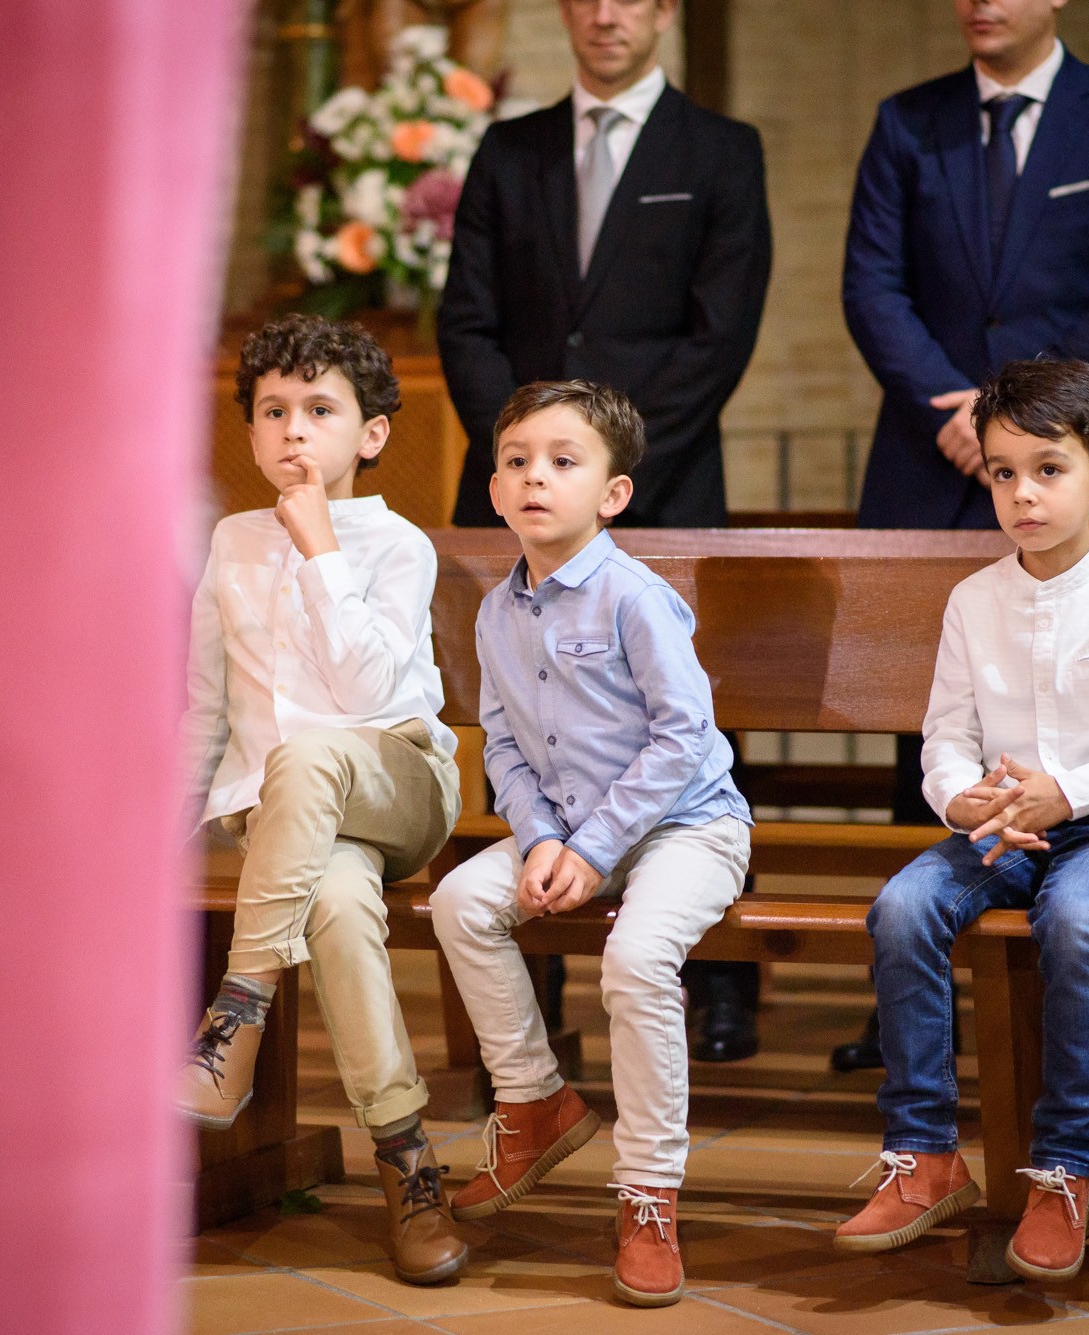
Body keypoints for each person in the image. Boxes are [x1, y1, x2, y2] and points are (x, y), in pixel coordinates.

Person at [834, 0, 1089, 1081]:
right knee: (930, 721)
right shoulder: (908, 120)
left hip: (1070, 446)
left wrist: (1017, 425)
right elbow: (871, 282)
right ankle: (914, 1008)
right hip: (929, 451)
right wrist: (957, 411)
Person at [437, 0, 773, 1061]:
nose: (604, 13)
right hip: (527, 483)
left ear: (664, 11)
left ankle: (717, 981)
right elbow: (466, 319)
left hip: (662, 481)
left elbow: (721, 330)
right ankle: (531, 989)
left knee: (687, 711)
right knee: (527, 711)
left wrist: (609, 468)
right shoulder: (510, 150)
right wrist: (526, 452)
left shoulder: (719, 150)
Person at [832, 359, 1089, 1283]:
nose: (1023, 494)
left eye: (1048, 469)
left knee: (1073, 918)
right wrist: (959, 797)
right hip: (1004, 827)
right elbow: (946, 736)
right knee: (902, 906)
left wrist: (1067, 793)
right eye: (1004, 473)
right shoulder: (974, 599)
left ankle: (1064, 1169)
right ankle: (925, 1153)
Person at [430, 381, 753, 1307]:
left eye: (563, 462)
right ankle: (534, 1101)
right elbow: (501, 743)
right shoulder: (497, 612)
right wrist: (538, 838)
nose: (537, 477)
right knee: (459, 900)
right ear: (494, 490)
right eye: (518, 462)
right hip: (569, 830)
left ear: (613, 494)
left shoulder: (634, 599)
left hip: (689, 825)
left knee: (636, 958)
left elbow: (682, 738)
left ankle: (649, 1191)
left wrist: (594, 847)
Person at [176, 316, 467, 1285]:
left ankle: (235, 1019)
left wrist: (317, 548)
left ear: (370, 433)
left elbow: (372, 697)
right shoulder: (229, 541)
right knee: (337, 901)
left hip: (398, 781)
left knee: (304, 756)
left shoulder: (397, 545)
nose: (292, 429)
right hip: (291, 823)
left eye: (318, 409)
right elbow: (205, 706)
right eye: (272, 411)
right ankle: (407, 1158)